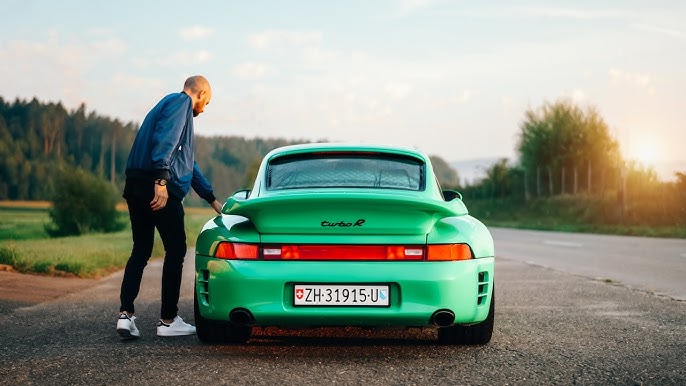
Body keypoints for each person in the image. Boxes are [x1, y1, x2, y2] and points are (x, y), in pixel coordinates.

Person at [116, 75, 223, 339]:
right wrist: (161, 180)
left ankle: (125, 316)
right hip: (159, 187)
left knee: (140, 250)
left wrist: (210, 198)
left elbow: (189, 164)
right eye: (206, 102)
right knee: (175, 250)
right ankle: (168, 320)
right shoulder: (181, 104)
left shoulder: (165, 105)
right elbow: (167, 140)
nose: (204, 109)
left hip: (136, 184)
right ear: (199, 94)